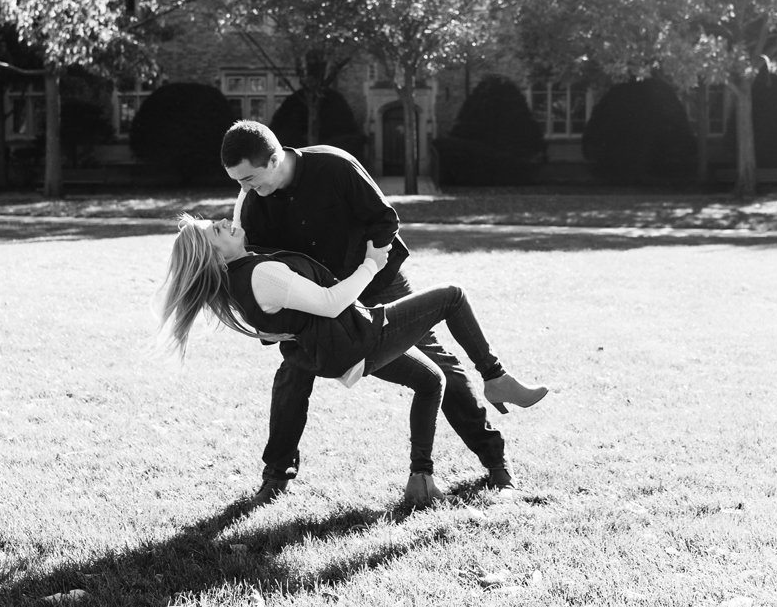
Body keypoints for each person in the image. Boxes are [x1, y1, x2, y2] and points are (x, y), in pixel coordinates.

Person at [221, 119, 546, 504]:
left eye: (249, 179)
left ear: (275, 159)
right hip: (323, 304)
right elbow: (262, 274)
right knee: (292, 374)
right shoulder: (255, 209)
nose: (244, 190)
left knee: (440, 365)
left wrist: (362, 278)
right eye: (238, 182)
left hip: (380, 281)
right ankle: (275, 477)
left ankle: (495, 463)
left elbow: (385, 221)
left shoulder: (335, 167)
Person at [158, 213, 534, 507]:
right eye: (216, 231)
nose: (225, 223)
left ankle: (421, 478)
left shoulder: (235, 283)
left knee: (430, 380)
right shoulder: (262, 274)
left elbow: (283, 317)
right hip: (360, 337)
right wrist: (371, 263)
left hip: (340, 351)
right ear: (215, 254)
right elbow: (331, 302)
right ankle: (495, 375)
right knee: (452, 295)